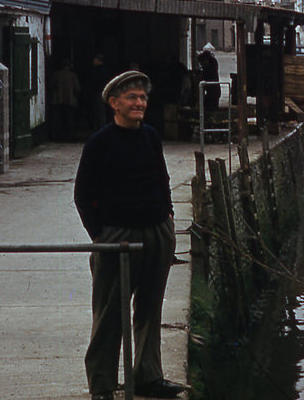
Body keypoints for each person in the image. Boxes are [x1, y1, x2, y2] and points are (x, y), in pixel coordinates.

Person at [74, 71, 185, 400]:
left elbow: (162, 177)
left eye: (143, 98)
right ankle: (103, 385)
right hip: (117, 236)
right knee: (110, 312)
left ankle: (148, 376)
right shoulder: (100, 143)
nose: (140, 103)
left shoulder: (151, 136)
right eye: (132, 98)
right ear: (114, 103)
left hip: (157, 232)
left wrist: (167, 215)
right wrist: (102, 235)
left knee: (151, 308)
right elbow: (83, 195)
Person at [50, 59, 81, 140]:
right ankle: (70, 136)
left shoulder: (56, 74)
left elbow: (52, 84)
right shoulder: (73, 75)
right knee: (69, 118)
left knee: (57, 118)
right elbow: (77, 88)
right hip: (69, 100)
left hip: (57, 99)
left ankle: (56, 136)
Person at [196, 43, 220, 112]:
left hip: (213, 92)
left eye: (202, 63)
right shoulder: (212, 66)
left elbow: (204, 80)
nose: (201, 65)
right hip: (214, 91)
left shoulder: (209, 70)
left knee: (210, 108)